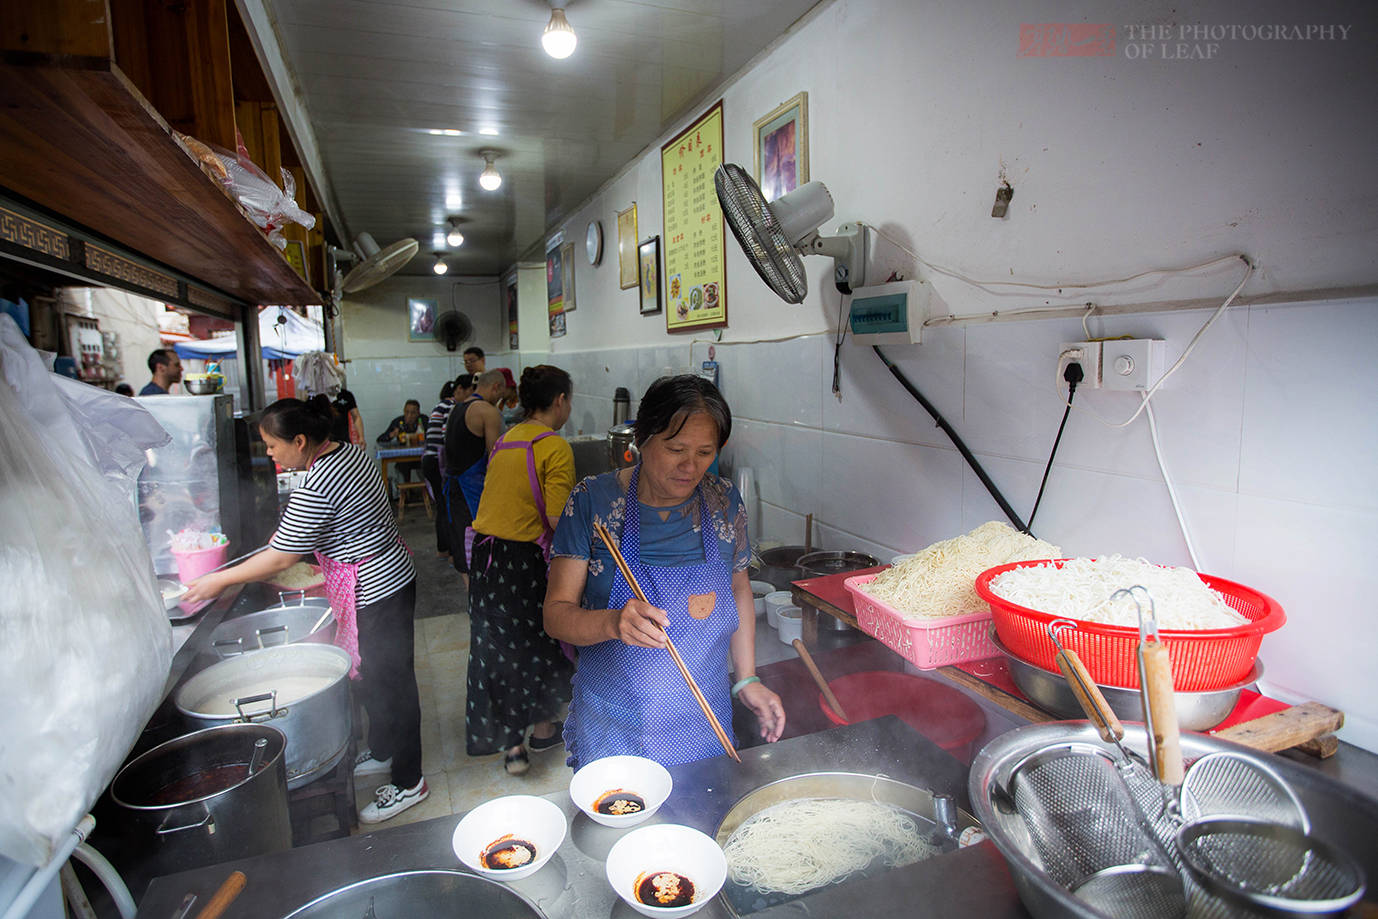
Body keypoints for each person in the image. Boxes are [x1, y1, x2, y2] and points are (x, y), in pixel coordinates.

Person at [182, 397, 427, 823]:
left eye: (273, 446)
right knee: (374, 675)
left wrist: (217, 578)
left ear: (299, 440)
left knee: (394, 685)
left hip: (376, 589)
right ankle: (385, 749)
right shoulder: (348, 452)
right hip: (390, 576)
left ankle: (410, 782)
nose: (269, 454)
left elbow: (281, 557)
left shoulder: (319, 482)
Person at [545, 375, 786, 771]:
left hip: (702, 721)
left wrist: (746, 678)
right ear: (642, 437)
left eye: (705, 453)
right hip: (616, 726)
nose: (690, 467)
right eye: (676, 449)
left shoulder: (723, 501)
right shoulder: (594, 502)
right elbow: (555, 614)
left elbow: (738, 587)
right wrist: (611, 623)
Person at [465, 365, 576, 774]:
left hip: (486, 556)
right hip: (520, 562)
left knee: (498, 646)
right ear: (560, 401)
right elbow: (558, 518)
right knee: (535, 644)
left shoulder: (508, 440)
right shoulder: (554, 447)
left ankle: (527, 738)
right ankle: (532, 737)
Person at [442, 370, 505, 579]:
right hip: (474, 492)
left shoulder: (457, 408)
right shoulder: (488, 411)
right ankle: (483, 602)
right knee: (481, 549)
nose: (500, 400)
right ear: (495, 387)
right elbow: (495, 458)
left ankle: (472, 602)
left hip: (453, 491)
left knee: (464, 549)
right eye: (501, 394)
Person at [423, 378, 462, 558]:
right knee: (447, 505)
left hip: (429, 460)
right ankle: (450, 549)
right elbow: (449, 434)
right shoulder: (450, 405)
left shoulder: (439, 406)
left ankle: (443, 548)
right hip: (439, 461)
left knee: (441, 504)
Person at [378, 398, 424, 488]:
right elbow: (380, 439)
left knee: (427, 465)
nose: (409, 416)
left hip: (420, 458)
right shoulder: (398, 422)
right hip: (403, 459)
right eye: (407, 412)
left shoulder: (423, 421)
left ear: (418, 413)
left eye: (413, 413)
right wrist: (391, 435)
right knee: (401, 469)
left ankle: (430, 494)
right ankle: (403, 494)